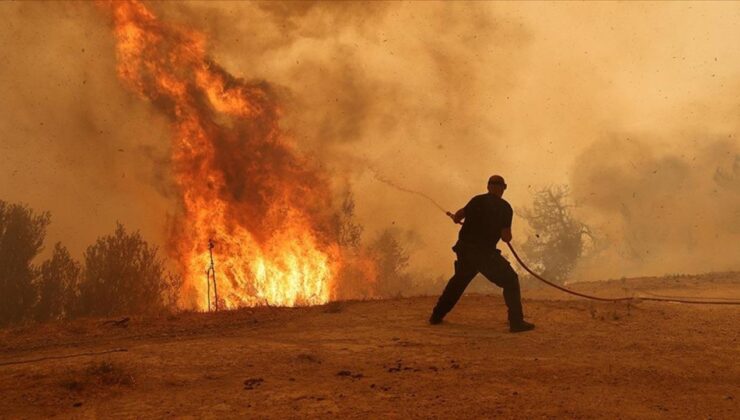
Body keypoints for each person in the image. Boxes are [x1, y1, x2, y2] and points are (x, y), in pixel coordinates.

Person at [430, 175, 535, 333]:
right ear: (503, 188)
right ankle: (516, 322)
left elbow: (458, 215)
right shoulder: (505, 208)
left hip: (465, 250)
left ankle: (436, 316)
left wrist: (455, 218)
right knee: (511, 280)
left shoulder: (476, 200)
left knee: (458, 282)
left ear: (488, 187)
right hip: (485, 254)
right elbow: (506, 237)